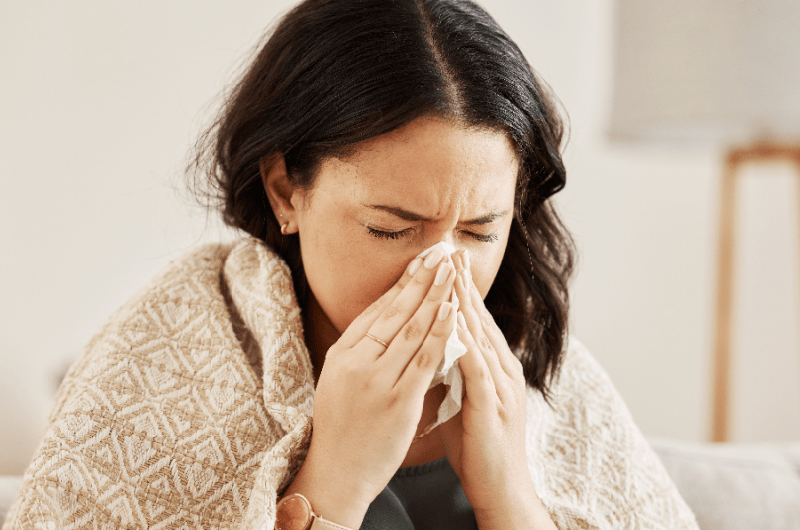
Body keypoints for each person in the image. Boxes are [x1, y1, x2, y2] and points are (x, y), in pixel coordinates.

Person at [4, 0, 699, 529]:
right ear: (286, 190)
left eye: (480, 230)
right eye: (391, 229)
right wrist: (332, 482)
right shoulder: (166, 353)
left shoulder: (550, 376)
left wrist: (510, 495)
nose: (440, 272)